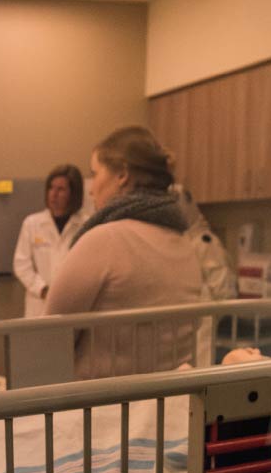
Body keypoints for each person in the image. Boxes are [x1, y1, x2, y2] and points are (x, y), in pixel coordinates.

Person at [45, 125, 234, 378]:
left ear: (122, 174)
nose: (91, 188)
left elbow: (47, 338)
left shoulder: (103, 240)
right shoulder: (184, 247)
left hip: (101, 408)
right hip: (164, 407)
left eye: (96, 173)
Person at [12, 165, 89, 317]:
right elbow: (21, 264)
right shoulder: (32, 223)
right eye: (51, 188)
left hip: (72, 302)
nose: (53, 194)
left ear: (73, 194)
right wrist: (42, 290)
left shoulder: (86, 225)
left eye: (61, 189)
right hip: (38, 305)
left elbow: (88, 266)